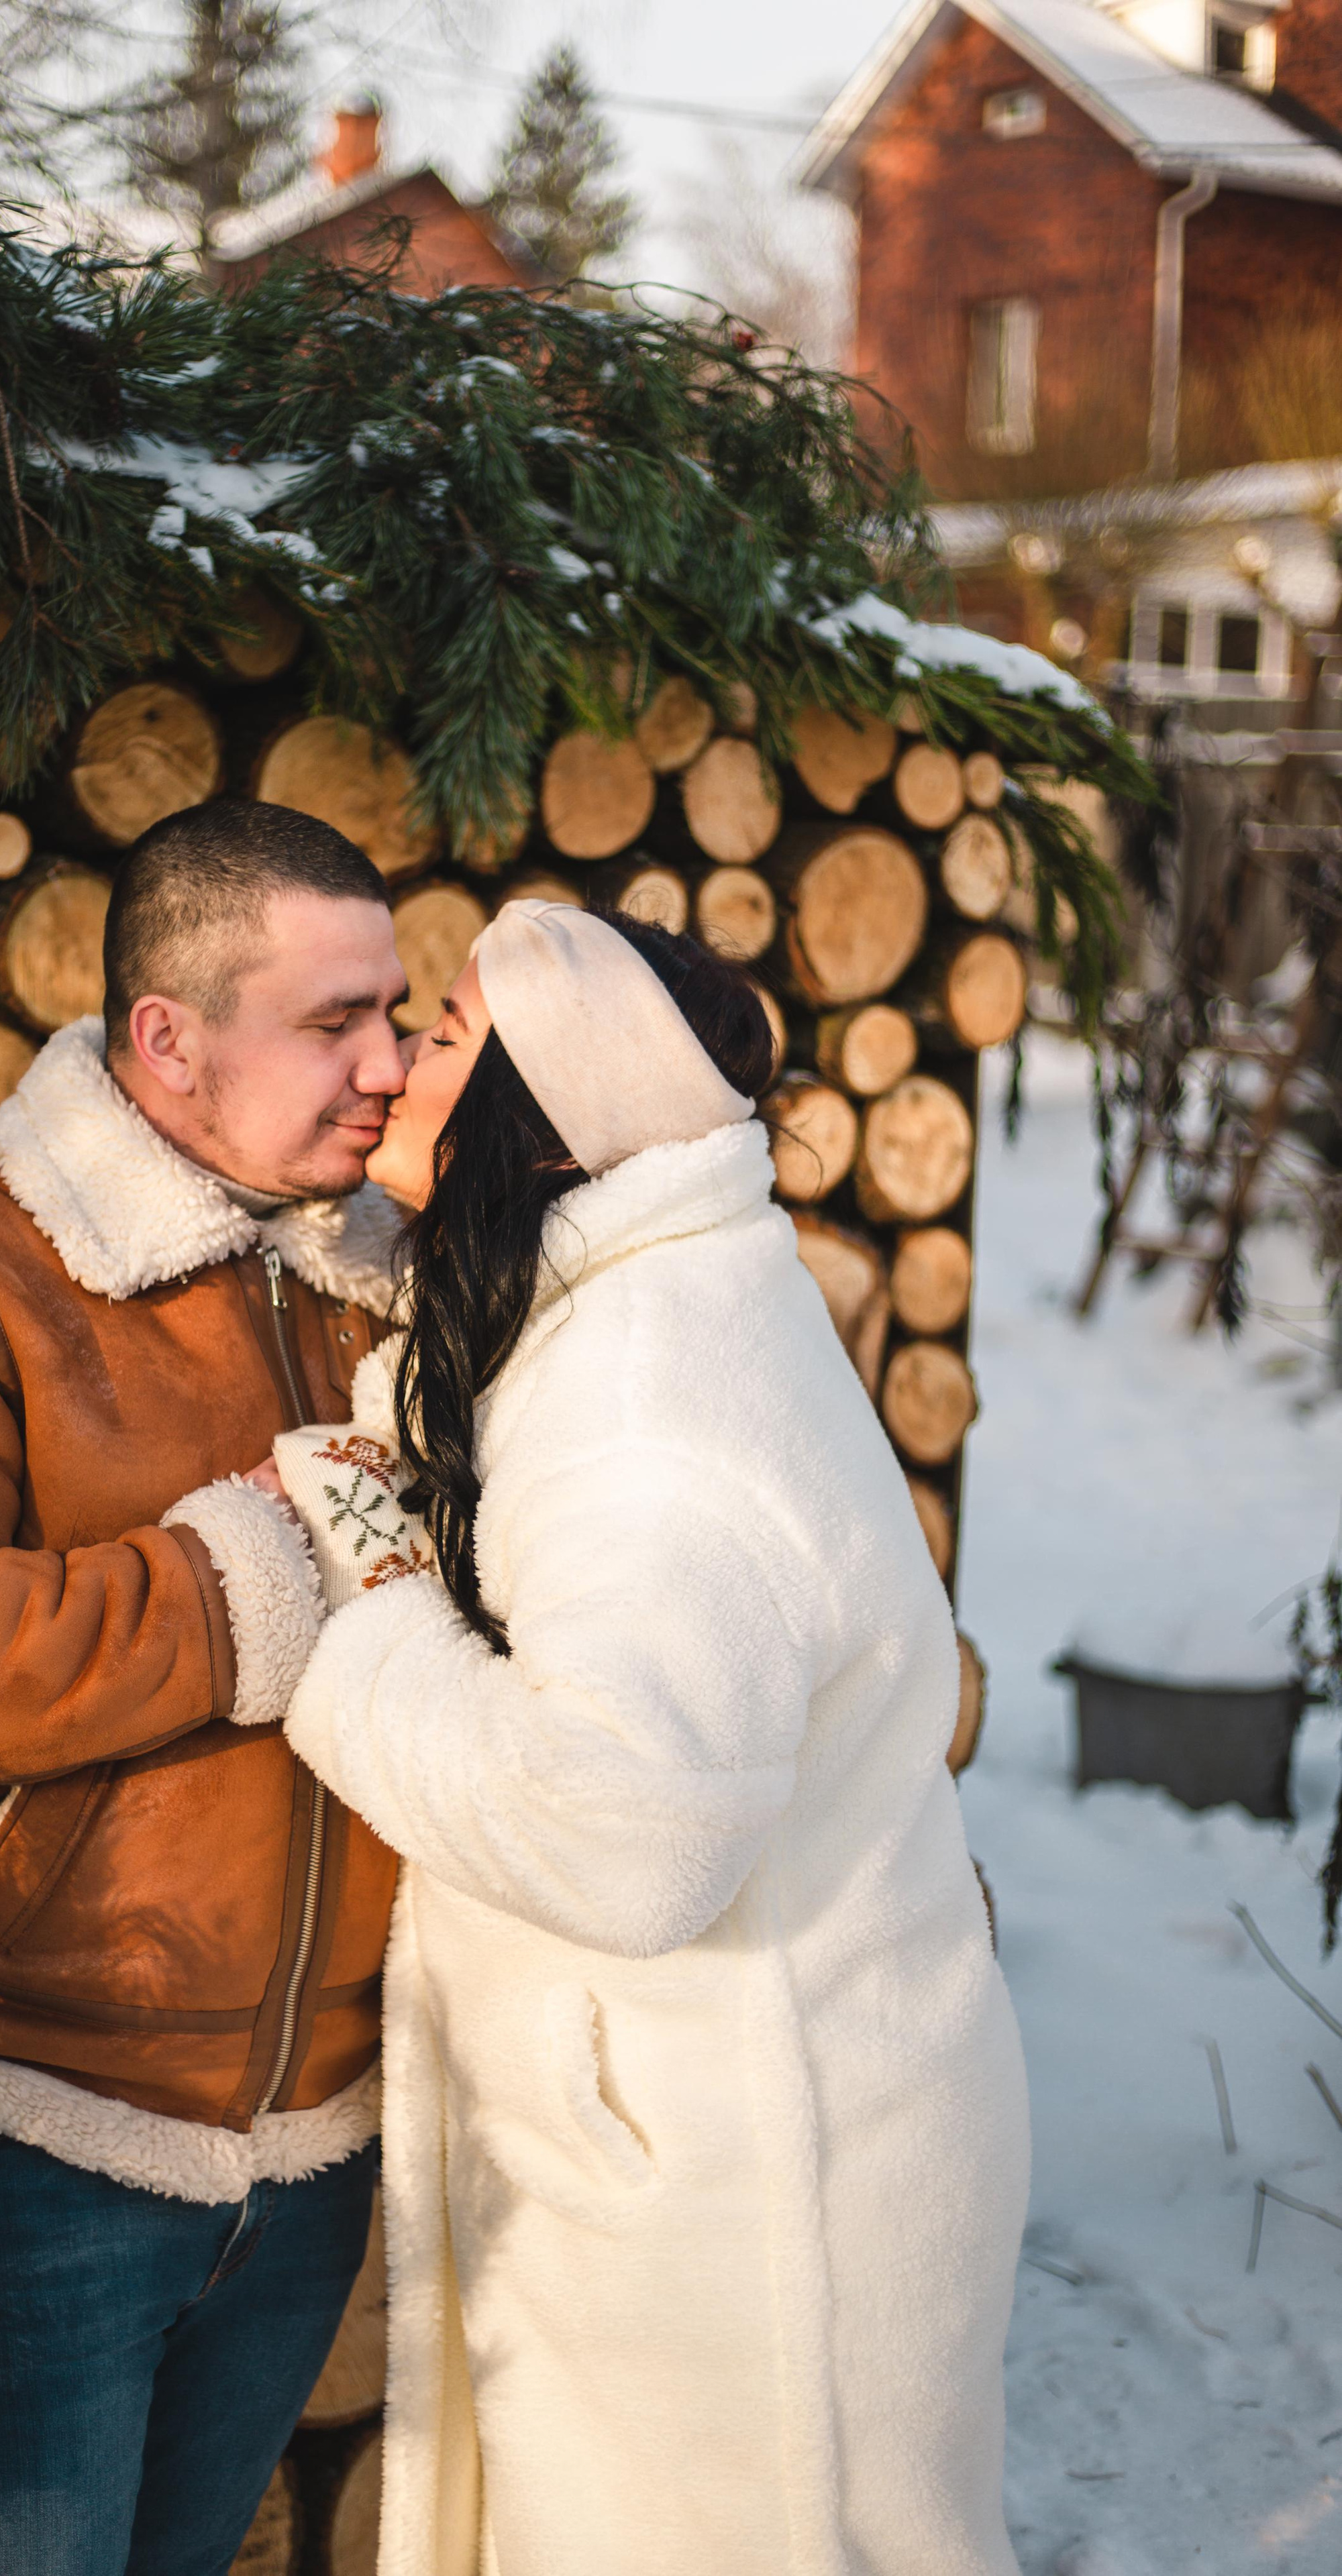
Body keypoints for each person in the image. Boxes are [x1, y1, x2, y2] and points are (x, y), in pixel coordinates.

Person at [270, 902, 1032, 2576]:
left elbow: (621, 1834)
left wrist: (371, 1620)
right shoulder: (654, 1304)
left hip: (738, 2203)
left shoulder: (644, 1423)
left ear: (543, 1117)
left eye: (442, 1037)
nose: (393, 1068)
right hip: (756, 2114)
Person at [0, 800, 413, 2576]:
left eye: (397, 1012)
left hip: (313, 2146)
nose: (387, 1065)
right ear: (168, 1039)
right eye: (334, 1020)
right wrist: (240, 1579)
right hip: (21, 2132)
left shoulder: (383, 1281)